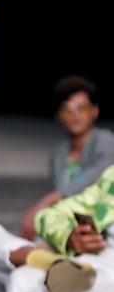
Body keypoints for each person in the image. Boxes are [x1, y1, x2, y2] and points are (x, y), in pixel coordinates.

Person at [20, 75, 114, 239]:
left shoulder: (105, 141)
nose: (75, 115)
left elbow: (94, 177)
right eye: (68, 109)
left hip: (102, 224)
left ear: (94, 111)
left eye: (82, 108)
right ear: (59, 114)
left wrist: (47, 201)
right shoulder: (59, 154)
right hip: (67, 224)